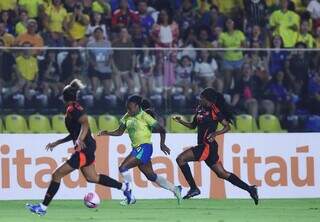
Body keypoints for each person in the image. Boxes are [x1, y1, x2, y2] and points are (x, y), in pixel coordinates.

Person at [26, 79, 134, 216]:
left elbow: (85, 124)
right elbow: (74, 133)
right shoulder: (74, 108)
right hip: (87, 147)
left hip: (84, 149)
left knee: (57, 175)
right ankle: (125, 187)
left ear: (64, 98)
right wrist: (57, 142)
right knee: (92, 177)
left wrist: (79, 139)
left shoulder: (73, 109)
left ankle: (42, 208)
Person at [174, 88, 259, 205]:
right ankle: (250, 189)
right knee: (222, 173)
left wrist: (215, 133)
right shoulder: (199, 109)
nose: (200, 99)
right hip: (207, 147)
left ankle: (194, 188)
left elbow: (227, 126)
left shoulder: (214, 111)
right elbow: (193, 126)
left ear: (208, 100)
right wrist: (181, 121)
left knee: (180, 159)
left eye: (201, 97)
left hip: (207, 146)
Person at [99, 95, 182, 205]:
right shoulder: (127, 116)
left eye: (130, 108)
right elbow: (119, 132)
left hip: (144, 147)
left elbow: (161, 129)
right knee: (151, 175)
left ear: (137, 106)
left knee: (123, 167)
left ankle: (130, 196)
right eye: (127, 108)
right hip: (138, 148)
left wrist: (162, 144)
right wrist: (107, 132)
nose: (128, 110)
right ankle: (175, 189)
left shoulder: (145, 117)